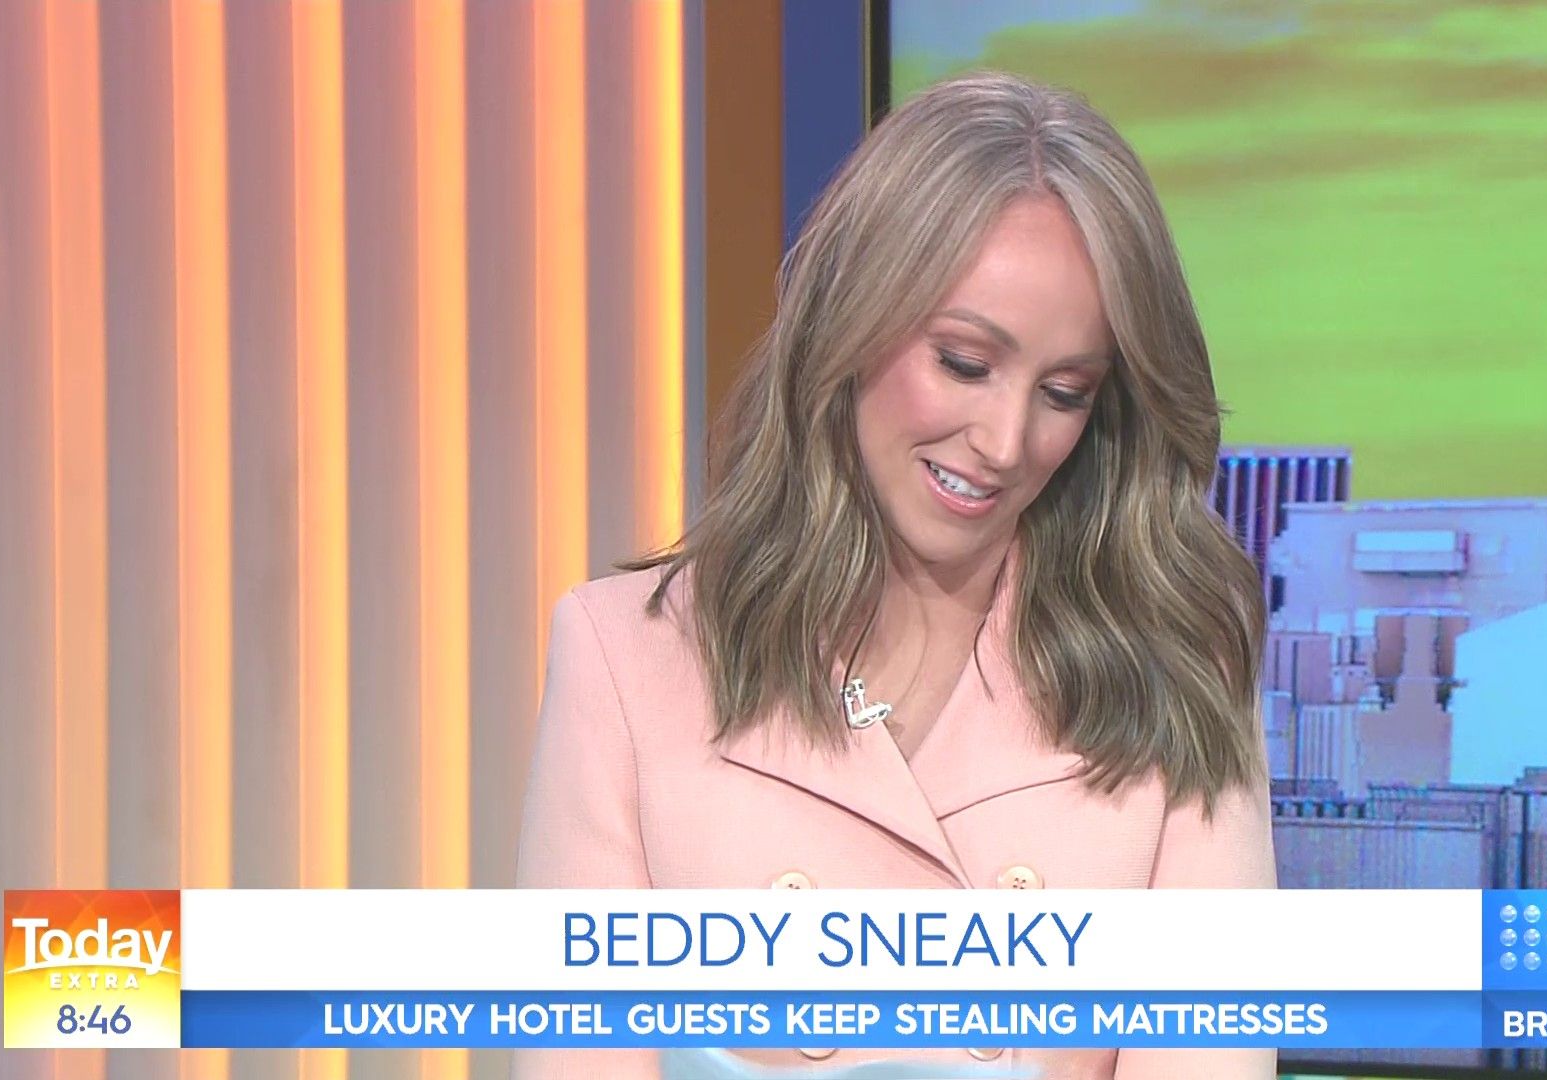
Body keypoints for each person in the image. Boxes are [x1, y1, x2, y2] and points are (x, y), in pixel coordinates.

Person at [516, 70, 1276, 1079]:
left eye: (1063, 392)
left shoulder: (1180, 664)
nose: (1006, 441)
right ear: (851, 321)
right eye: (964, 363)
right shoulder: (625, 660)